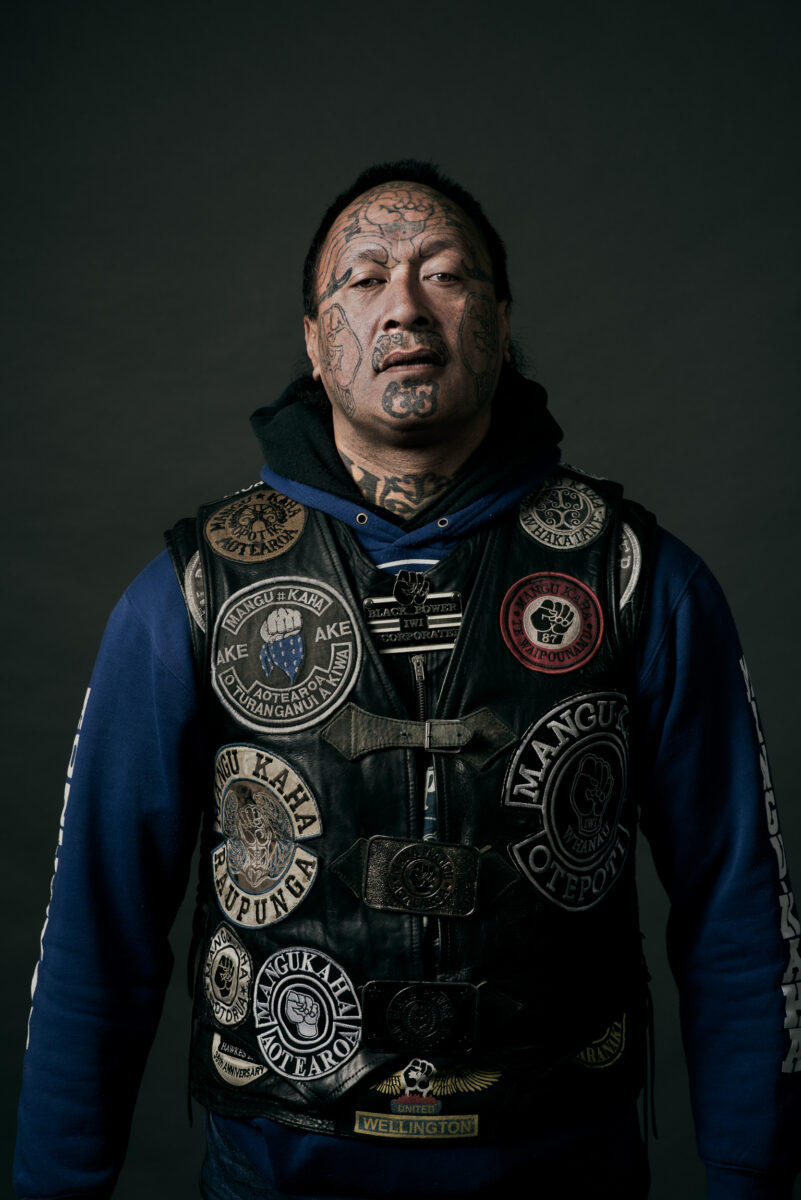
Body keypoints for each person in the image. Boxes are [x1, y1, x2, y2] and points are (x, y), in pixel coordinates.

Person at [15, 160, 801, 1200]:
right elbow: (97, 926)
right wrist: (54, 1185)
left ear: (501, 318)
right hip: (277, 1174)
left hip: (566, 1167)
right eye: (366, 277)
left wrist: (756, 1174)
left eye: (447, 273)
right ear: (312, 335)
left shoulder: (638, 577)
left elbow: (739, 906)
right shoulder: (192, 592)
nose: (406, 303)